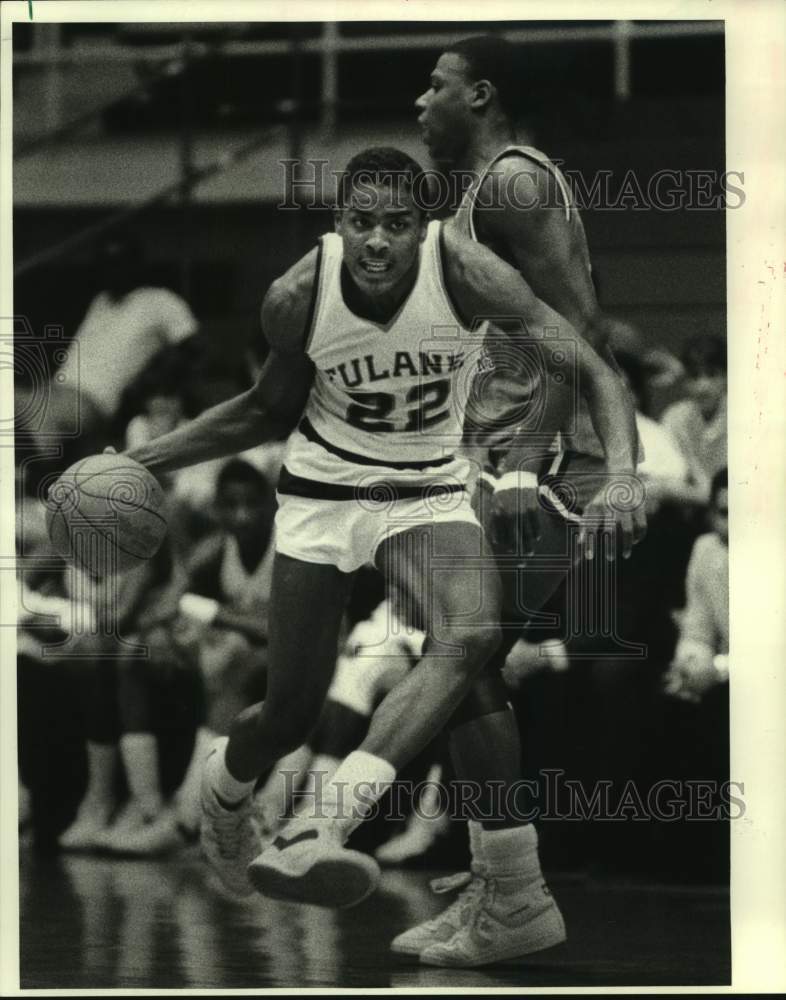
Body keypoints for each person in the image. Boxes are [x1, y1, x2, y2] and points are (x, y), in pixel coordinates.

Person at [121, 147, 636, 920]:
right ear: (338, 224)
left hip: (423, 488)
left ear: (423, 227)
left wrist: (623, 470)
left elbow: (591, 367)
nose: (377, 242)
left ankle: (322, 823)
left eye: (397, 224)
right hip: (321, 493)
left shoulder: (465, 273)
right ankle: (224, 800)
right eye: (361, 222)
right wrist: (138, 460)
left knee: (469, 636)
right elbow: (265, 410)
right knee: (287, 711)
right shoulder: (298, 295)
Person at [379, 34, 647, 965]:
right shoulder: (483, 190)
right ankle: (502, 885)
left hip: (549, 460)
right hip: (499, 455)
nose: (421, 101)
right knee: (453, 656)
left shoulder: (515, 183)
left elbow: (580, 329)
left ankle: (516, 894)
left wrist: (528, 457)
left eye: (436, 85)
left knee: (455, 652)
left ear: (480, 95)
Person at [663, 468, 729, 703]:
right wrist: (691, 664)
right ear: (711, 514)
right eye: (725, 513)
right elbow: (698, 629)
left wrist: (717, 669)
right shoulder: (706, 548)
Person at [660, 335, 727, 503]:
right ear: (684, 381)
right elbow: (669, 476)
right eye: (694, 376)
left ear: (726, 377)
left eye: (712, 375)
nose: (703, 386)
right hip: (690, 511)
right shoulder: (675, 416)